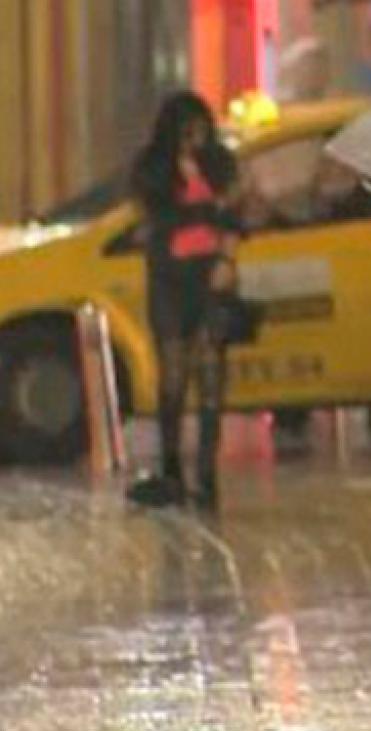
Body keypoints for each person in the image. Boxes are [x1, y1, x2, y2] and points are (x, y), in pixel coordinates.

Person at [131, 91, 242, 509]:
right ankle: (172, 467)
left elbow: (232, 218)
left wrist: (226, 258)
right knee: (173, 374)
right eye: (187, 128)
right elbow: (151, 219)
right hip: (170, 280)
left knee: (211, 374)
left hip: (209, 277)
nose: (195, 136)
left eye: (200, 127)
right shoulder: (152, 170)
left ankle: (208, 475)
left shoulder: (220, 165)